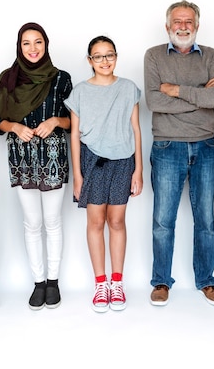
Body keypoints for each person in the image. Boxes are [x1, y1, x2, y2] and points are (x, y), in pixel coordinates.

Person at [144, 0, 214, 307]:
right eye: (177, 21)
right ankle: (161, 281)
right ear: (168, 26)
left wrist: (177, 90)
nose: (183, 26)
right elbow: (154, 102)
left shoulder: (211, 56)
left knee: (205, 219)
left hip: (205, 145)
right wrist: (199, 94)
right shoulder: (154, 56)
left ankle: (206, 281)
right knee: (163, 221)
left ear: (197, 25)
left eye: (189, 21)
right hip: (167, 146)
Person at [0, 22, 72, 310]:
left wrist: (55, 121)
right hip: (22, 159)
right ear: (19, 46)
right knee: (32, 223)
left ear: (46, 44)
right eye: (26, 43)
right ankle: (38, 282)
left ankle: (53, 282)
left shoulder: (61, 79)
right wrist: (14, 125)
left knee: (52, 222)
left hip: (53, 157)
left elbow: (74, 120)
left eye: (38, 42)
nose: (33, 48)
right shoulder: (7, 78)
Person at [65, 36, 143, 313]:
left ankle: (117, 282)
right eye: (98, 56)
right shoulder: (80, 92)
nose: (104, 61)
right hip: (92, 161)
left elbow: (136, 129)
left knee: (117, 220)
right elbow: (74, 134)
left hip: (123, 160)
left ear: (116, 57)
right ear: (89, 61)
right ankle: (100, 283)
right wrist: (77, 175)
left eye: (109, 55)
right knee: (96, 221)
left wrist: (139, 169)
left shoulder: (128, 88)